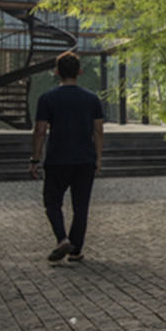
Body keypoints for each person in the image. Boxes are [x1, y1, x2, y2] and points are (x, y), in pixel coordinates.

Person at [30, 50, 105, 263]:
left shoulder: (47, 99)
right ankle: (75, 250)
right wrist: (98, 158)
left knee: (52, 202)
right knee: (81, 206)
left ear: (56, 72)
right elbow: (98, 131)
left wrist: (35, 160)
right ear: (80, 72)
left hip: (57, 159)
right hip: (85, 159)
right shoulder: (92, 99)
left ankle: (62, 239)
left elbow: (40, 131)